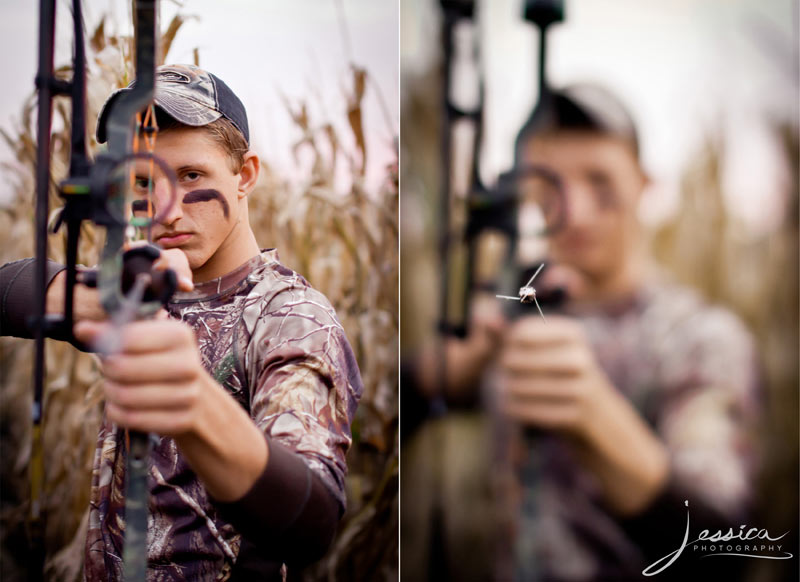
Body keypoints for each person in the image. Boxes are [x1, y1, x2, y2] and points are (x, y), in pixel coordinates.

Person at [0, 64, 362, 580]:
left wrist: (193, 403)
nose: (165, 211)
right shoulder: (146, 285)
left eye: (192, 176)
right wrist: (87, 300)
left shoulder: (292, 316)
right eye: (143, 182)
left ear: (245, 176)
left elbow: (312, 519)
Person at [405, 84, 760, 581]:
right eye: (550, 187)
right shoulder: (511, 315)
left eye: (600, 182)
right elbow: (381, 408)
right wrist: (450, 367)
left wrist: (594, 417)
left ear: (644, 185)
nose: (575, 211)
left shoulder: (701, 338)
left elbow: (723, 552)